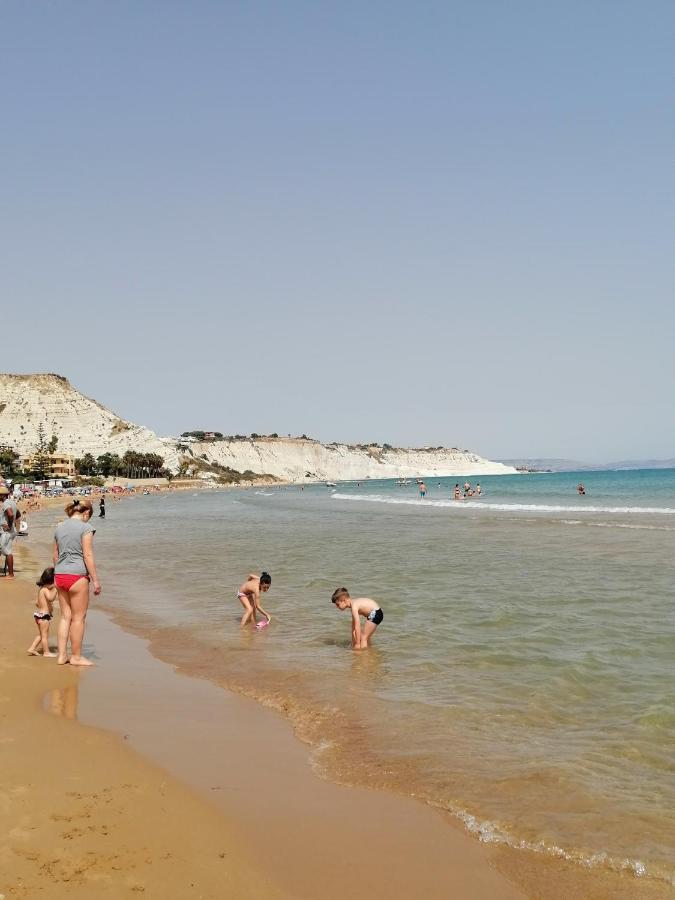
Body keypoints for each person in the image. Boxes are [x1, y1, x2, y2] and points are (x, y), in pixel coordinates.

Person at [53, 498, 101, 666]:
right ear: (86, 512)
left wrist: (57, 575)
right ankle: (76, 656)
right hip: (77, 576)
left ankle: (61, 656)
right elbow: (87, 555)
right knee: (78, 619)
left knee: (65, 617)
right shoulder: (86, 528)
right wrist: (95, 581)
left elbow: (55, 556)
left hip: (60, 575)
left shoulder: (59, 527)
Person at [27, 567, 57, 657]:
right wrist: (56, 588)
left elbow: (37, 602)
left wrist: (46, 606)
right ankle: (46, 652)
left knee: (41, 635)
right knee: (45, 636)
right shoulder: (45, 590)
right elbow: (51, 598)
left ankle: (32, 648)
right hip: (44, 617)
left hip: (39, 616)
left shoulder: (41, 589)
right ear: (51, 582)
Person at [1, 492, 20, 577]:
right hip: (10, 531)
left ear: (3, 495)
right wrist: (14, 526)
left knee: (6, 551)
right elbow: (18, 514)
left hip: (6, 532)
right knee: (4, 549)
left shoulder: (5, 503)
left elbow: (11, 514)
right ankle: (9, 572)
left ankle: (11, 574)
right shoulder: (12, 502)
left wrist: (9, 525)